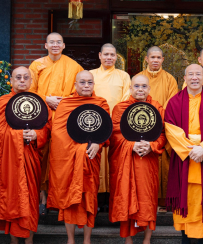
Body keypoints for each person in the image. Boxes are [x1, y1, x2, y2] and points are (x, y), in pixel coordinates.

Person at [0, 66, 52, 244]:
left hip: (30, 158)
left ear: (31, 81)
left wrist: (37, 135)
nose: (21, 80)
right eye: (17, 77)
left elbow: (48, 128)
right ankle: (13, 240)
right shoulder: (2, 102)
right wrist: (18, 135)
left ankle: (29, 240)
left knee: (29, 197)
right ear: (11, 81)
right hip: (9, 161)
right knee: (11, 197)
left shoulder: (40, 102)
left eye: (25, 77)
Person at [165, 64, 203, 242]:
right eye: (190, 74)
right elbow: (170, 129)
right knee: (186, 199)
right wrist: (191, 150)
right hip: (185, 158)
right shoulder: (174, 102)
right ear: (184, 78)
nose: (194, 78)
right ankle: (185, 238)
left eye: (198, 74)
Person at [47, 71, 110, 244]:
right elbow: (58, 133)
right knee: (69, 200)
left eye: (90, 82)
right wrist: (79, 148)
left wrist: (99, 143)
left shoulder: (101, 103)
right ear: (75, 85)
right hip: (69, 160)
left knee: (90, 198)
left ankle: (87, 240)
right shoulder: (66, 103)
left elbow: (106, 129)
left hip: (90, 159)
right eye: (82, 82)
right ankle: (70, 239)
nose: (86, 85)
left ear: (93, 84)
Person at [28, 32, 84, 211]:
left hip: (64, 118)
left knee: (61, 156)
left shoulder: (74, 66)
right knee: (42, 154)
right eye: (51, 42)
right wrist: (47, 100)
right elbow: (29, 91)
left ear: (63, 45)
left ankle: (61, 196)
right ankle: (42, 196)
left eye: (58, 42)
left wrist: (63, 102)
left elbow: (81, 91)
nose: (55, 45)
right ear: (45, 45)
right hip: (41, 116)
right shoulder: (37, 65)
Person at [109, 75, 166, 244]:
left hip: (148, 161)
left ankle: (147, 239)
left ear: (149, 89)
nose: (140, 89)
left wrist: (151, 146)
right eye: (136, 86)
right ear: (130, 89)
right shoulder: (120, 108)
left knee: (147, 199)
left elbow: (163, 134)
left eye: (144, 86)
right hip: (127, 161)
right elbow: (114, 135)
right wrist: (131, 145)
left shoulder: (156, 107)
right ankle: (128, 240)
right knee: (127, 197)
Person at [136, 46, 178, 211]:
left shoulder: (170, 79)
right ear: (146, 59)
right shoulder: (139, 78)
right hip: (140, 125)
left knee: (164, 164)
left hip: (162, 126)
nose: (155, 60)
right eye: (152, 57)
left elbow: (172, 104)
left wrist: (157, 121)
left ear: (162, 60)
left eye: (158, 58)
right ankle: (143, 199)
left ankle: (162, 202)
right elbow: (133, 98)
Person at [90, 43, 131, 205]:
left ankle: (113, 200)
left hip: (116, 125)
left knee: (115, 163)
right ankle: (97, 199)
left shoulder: (123, 76)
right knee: (96, 163)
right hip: (95, 125)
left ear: (116, 57)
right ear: (99, 55)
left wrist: (115, 121)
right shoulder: (91, 75)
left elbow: (126, 100)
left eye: (112, 55)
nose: (109, 57)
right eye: (106, 54)